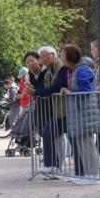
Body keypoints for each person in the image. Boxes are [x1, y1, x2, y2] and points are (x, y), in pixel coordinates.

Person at [60, 44, 100, 184]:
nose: (61, 57)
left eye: (63, 54)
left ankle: (93, 175)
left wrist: (70, 92)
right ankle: (88, 174)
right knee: (82, 145)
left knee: (87, 145)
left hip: (84, 112)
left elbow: (86, 90)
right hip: (80, 113)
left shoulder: (82, 70)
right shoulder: (74, 70)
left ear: (70, 56)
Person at [28, 46, 68, 175]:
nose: (42, 59)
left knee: (74, 140)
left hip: (65, 109)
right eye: (41, 57)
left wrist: (36, 91)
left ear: (53, 55)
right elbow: (49, 88)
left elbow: (55, 87)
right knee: (48, 133)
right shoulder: (50, 69)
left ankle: (86, 174)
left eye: (44, 56)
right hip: (57, 110)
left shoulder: (62, 68)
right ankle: (52, 166)